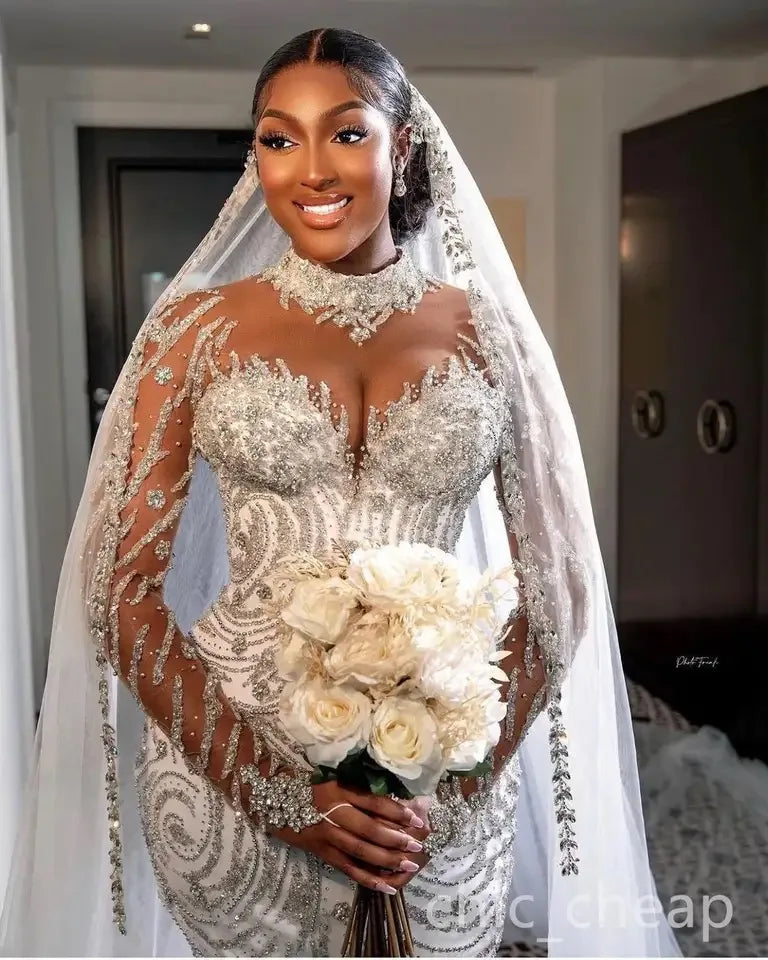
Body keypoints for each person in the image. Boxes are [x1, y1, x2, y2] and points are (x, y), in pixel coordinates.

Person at [0, 28, 682, 958]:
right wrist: (278, 796)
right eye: (279, 140)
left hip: (437, 777)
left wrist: (450, 785)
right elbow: (122, 593)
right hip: (235, 769)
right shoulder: (195, 331)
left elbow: (557, 587)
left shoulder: (489, 337)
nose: (310, 170)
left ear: (402, 148)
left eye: (346, 133)